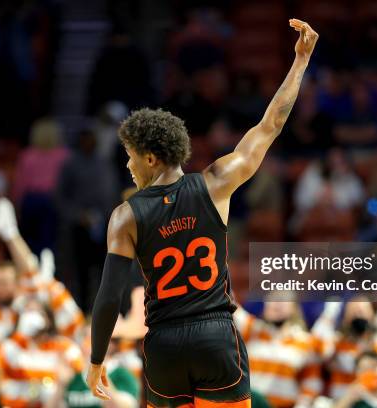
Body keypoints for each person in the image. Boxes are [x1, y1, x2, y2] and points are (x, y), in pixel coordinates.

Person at [87, 18, 319, 407]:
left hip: (163, 344)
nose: (127, 167)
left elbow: (109, 297)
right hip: (214, 336)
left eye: (130, 158)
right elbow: (270, 125)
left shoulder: (124, 216)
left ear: (149, 157)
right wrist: (300, 61)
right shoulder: (215, 183)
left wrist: (96, 360)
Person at [0, 197, 84, 345]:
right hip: (1, 363)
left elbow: (30, 273)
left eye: (5, 282)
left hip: (38, 359)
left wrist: (11, 235)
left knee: (38, 287)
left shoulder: (28, 305)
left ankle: (9, 230)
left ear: (17, 285)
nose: (0, 287)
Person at [55, 127, 120, 309]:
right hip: (79, 225)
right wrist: (78, 215)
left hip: (105, 223)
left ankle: (104, 309)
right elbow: (60, 197)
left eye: (91, 139)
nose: (88, 143)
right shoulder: (70, 164)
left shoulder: (104, 163)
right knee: (81, 271)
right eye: (85, 139)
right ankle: (82, 310)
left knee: (105, 270)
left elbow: (112, 192)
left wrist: (108, 215)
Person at [0, 298, 85, 407]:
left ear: (48, 319)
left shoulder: (64, 347)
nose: (32, 319)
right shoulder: (13, 346)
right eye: (28, 313)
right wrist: (21, 332)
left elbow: (81, 368)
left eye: (38, 314)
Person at [12, 118, 70, 254]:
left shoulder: (27, 155)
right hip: (51, 201)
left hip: (32, 201)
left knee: (30, 242)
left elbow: (20, 184)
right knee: (49, 241)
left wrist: (17, 205)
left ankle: (31, 270)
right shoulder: (64, 155)